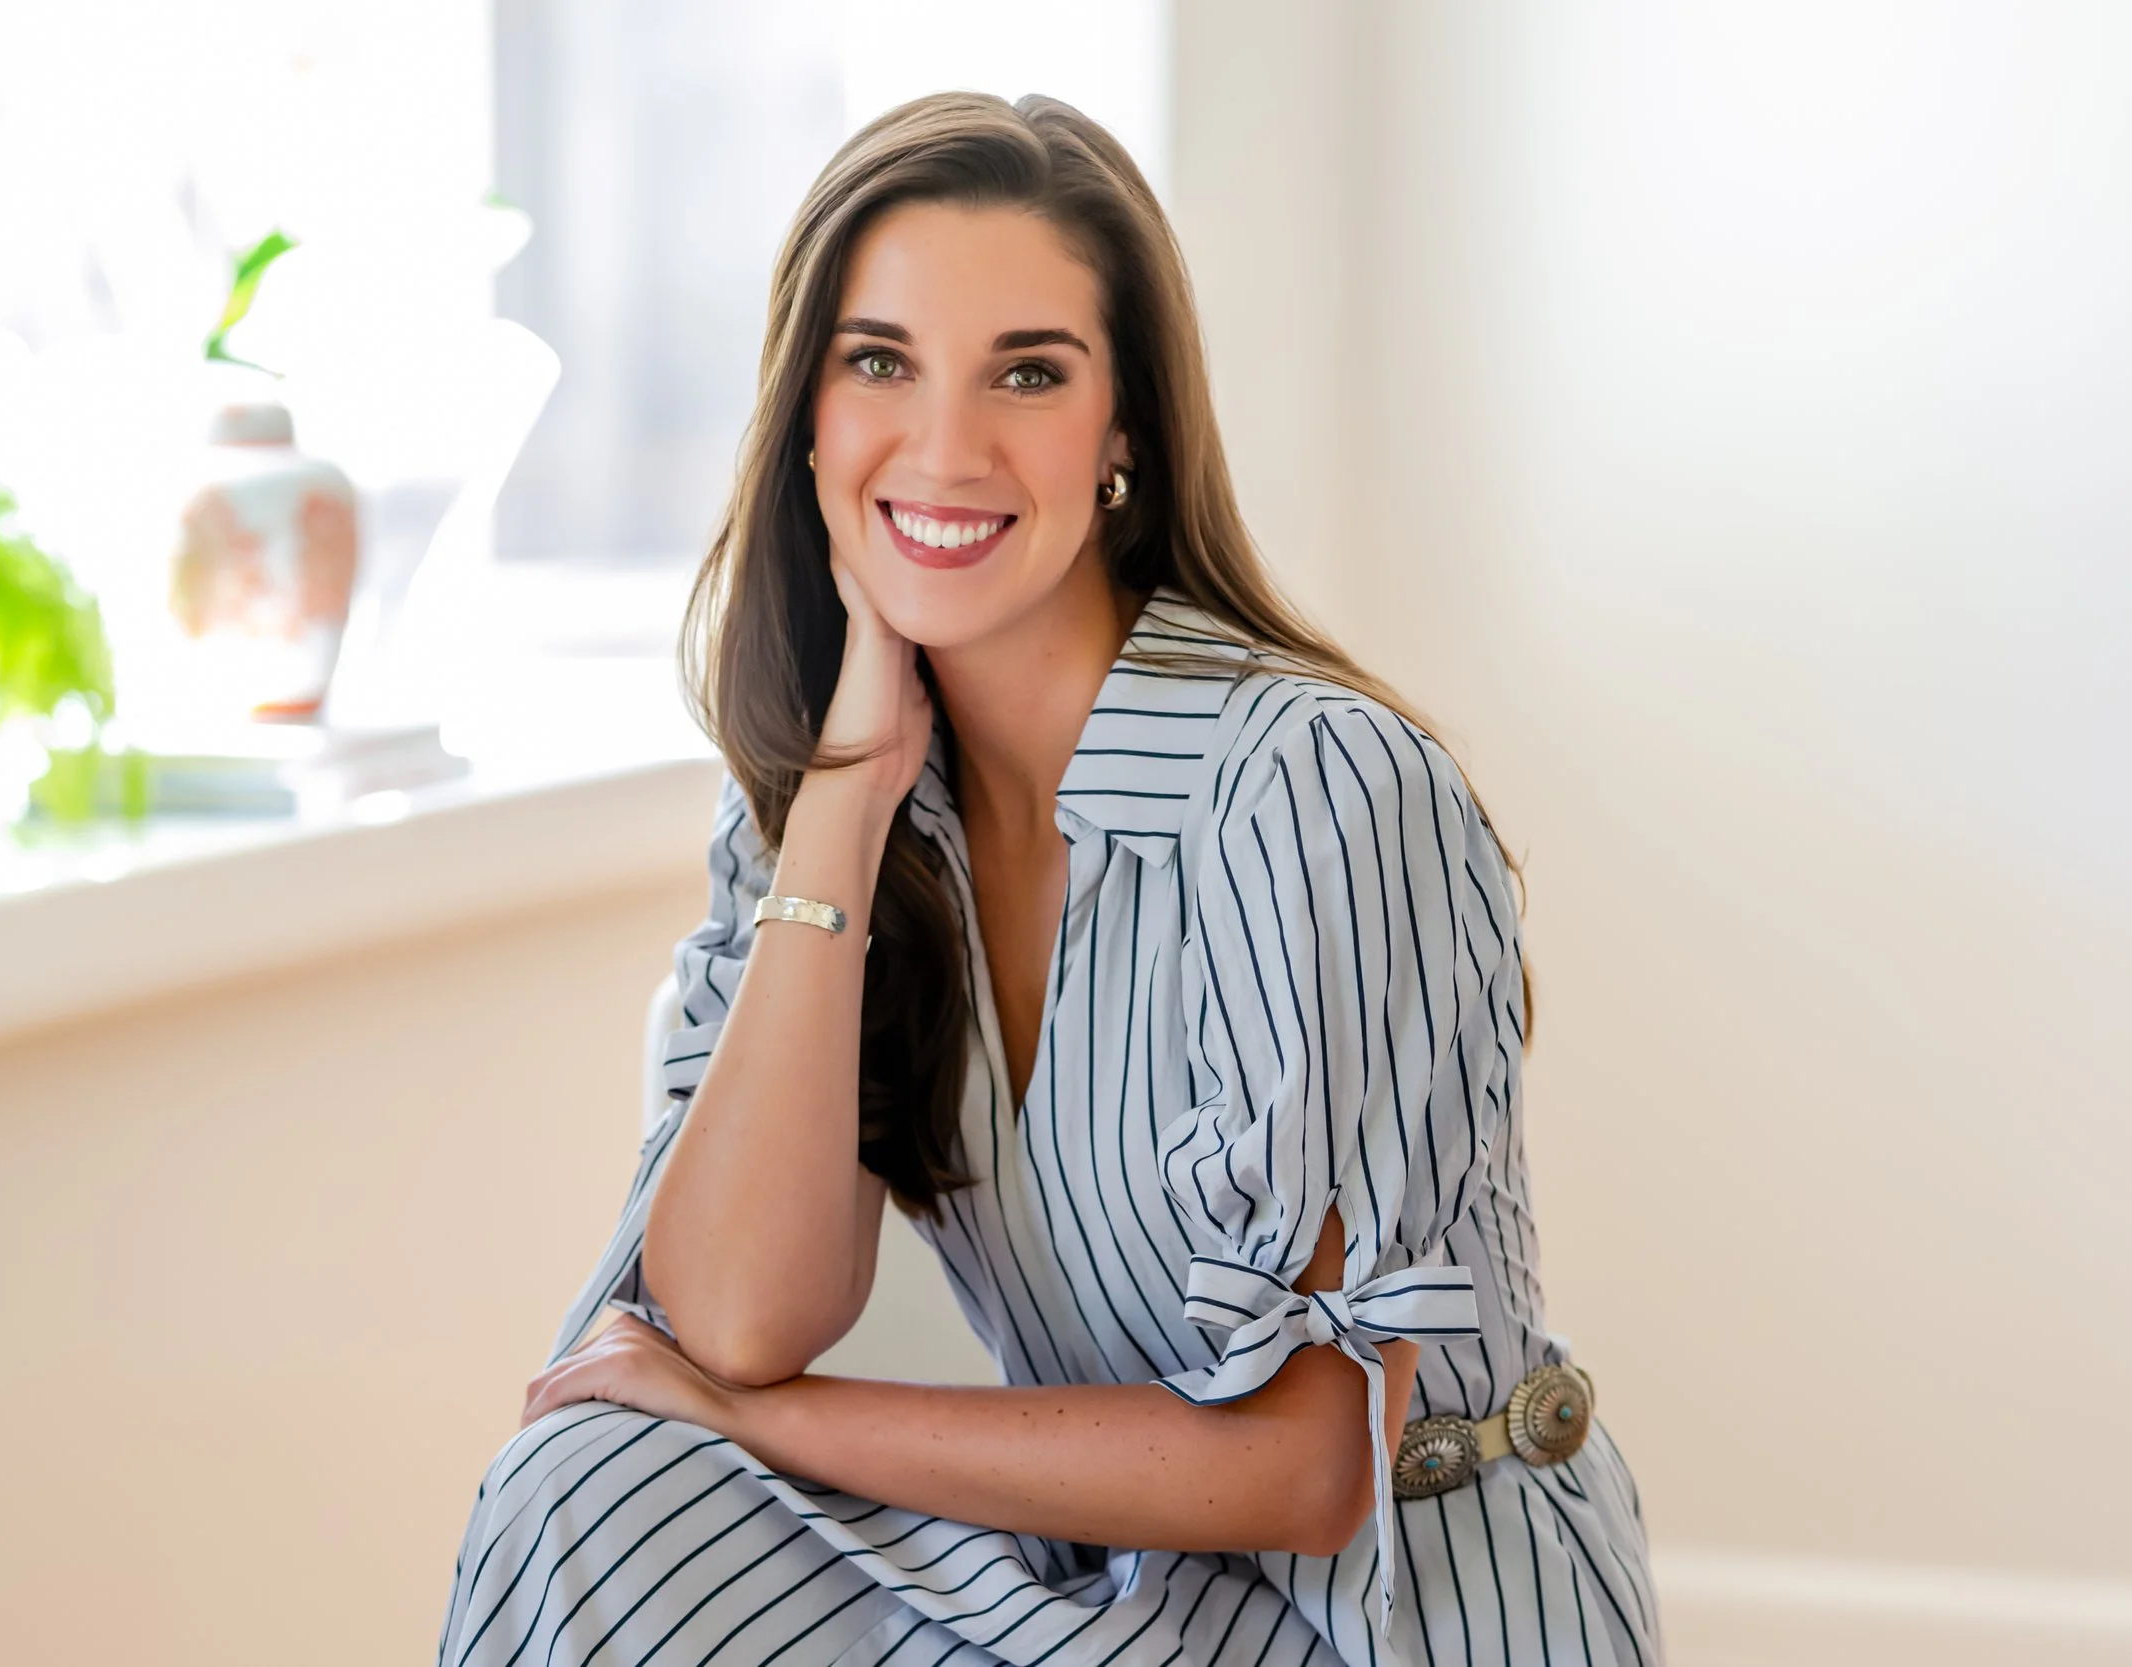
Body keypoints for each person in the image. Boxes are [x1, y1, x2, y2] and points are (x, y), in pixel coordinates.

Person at [434, 92, 1657, 1667]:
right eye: (881, 361)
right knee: (585, 1492)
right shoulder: (833, 803)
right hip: (1106, 1594)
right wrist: (845, 807)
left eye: (1028, 372)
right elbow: (732, 1318)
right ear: (809, 414)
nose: (945, 446)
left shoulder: (1317, 787)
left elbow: (1307, 1463)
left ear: (1123, 429)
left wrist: (782, 1417)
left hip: (1398, 1605)